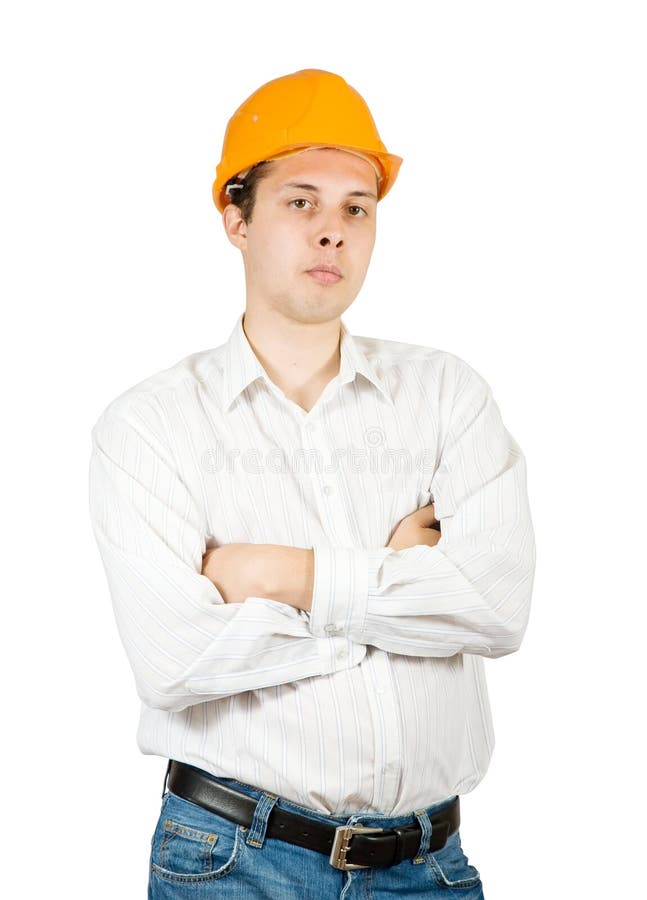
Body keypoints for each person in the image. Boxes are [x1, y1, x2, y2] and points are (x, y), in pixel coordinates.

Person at [88, 68, 535, 899]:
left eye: (355, 208)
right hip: (233, 862)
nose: (332, 232)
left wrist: (275, 576)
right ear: (236, 217)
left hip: (430, 868)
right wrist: (398, 596)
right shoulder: (148, 428)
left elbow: (497, 606)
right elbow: (175, 662)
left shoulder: (447, 396)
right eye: (300, 201)